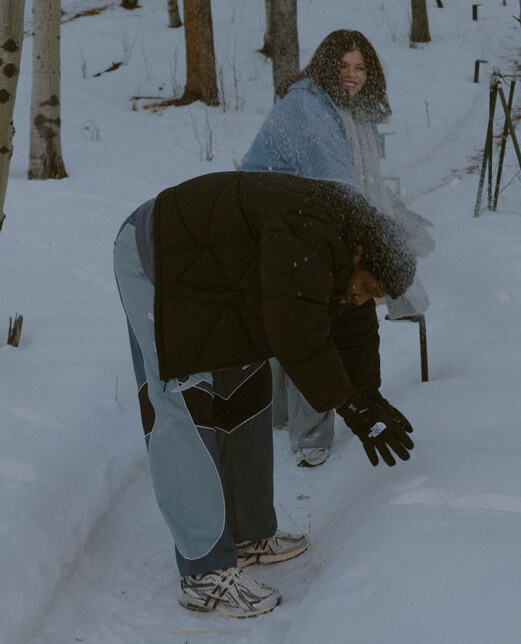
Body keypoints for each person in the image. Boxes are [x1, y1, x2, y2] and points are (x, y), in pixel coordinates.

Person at [113, 170, 416, 619]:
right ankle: (203, 571)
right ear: (359, 254)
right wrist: (347, 404)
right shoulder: (309, 229)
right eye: (369, 289)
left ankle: (248, 532)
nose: (364, 300)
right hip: (158, 260)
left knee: (246, 389)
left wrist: (366, 394)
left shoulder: (345, 242)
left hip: (214, 279)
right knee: (182, 405)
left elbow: (350, 326)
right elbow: (297, 332)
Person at [241, 30, 434, 468]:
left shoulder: (348, 113)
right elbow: (337, 189)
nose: (352, 76)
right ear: (326, 65)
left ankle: (282, 418)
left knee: (290, 320)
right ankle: (311, 442)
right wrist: (381, 236)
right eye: (344, 66)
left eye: (361, 67)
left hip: (293, 224)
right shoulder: (308, 108)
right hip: (282, 226)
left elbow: (360, 186)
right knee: (314, 323)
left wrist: (396, 217)